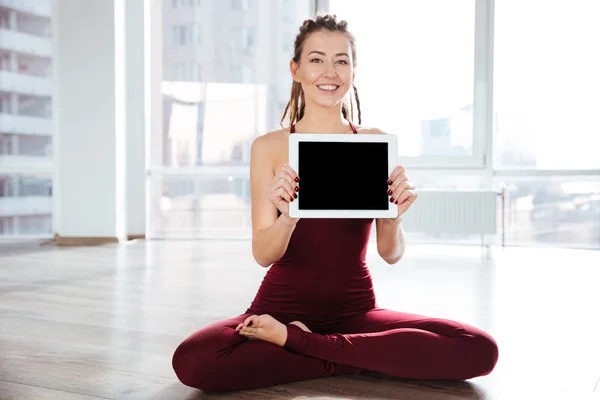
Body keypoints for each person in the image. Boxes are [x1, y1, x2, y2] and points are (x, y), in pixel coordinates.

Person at [172, 14, 499, 392]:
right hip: (280, 309)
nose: (330, 71)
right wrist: (288, 218)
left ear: (353, 71)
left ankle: (304, 345)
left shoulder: (375, 143)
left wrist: (393, 218)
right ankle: (346, 356)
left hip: (356, 312)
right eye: (316, 59)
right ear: (296, 70)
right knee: (194, 361)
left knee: (478, 349)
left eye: (341, 60)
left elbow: (390, 253)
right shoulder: (270, 148)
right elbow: (263, 253)